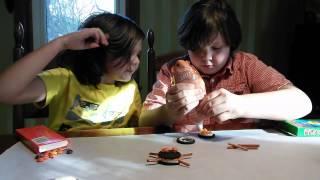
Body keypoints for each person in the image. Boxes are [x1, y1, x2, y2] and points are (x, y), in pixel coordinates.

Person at [139, 0, 312, 132]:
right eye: (196, 49)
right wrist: (167, 112)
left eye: (216, 48)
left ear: (231, 44)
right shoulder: (171, 70)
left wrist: (240, 105)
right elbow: (143, 120)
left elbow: (302, 103)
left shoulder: (246, 65)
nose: (207, 58)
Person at [0, 12, 145, 132]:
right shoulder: (64, 80)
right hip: (63, 157)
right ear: (99, 51)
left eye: (138, 55)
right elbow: (4, 91)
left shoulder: (131, 89)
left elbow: (137, 132)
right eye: (127, 54)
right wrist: (61, 43)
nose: (136, 61)